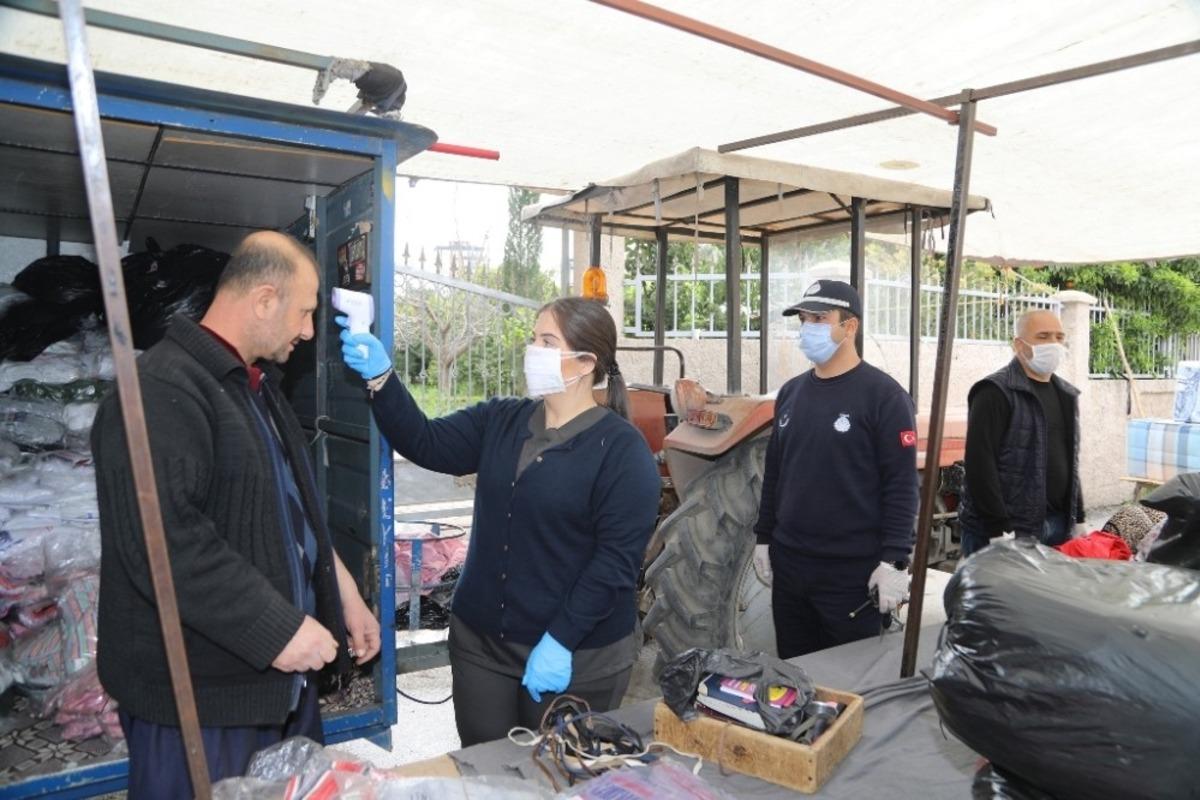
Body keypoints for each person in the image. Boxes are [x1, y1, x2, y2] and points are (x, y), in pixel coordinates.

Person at [92, 231, 381, 798]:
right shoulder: (158, 391)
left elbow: (292, 507)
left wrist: (341, 588)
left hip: (276, 690)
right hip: (199, 707)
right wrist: (279, 631)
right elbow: (164, 543)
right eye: (304, 312)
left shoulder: (255, 388)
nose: (307, 330)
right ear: (265, 298)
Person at [338, 297, 659, 747]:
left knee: (558, 780)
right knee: (485, 772)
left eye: (547, 341)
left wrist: (562, 640)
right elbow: (425, 442)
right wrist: (381, 378)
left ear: (585, 362)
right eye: (534, 339)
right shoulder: (501, 419)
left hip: (575, 654)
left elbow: (615, 564)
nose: (533, 351)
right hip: (482, 646)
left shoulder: (622, 452)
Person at [752, 280, 919, 658]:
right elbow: (776, 473)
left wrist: (894, 560)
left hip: (850, 575)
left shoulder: (885, 397)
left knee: (852, 684)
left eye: (820, 318)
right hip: (791, 569)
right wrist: (764, 538)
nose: (808, 326)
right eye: (804, 318)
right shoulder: (791, 393)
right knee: (796, 676)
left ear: (850, 327)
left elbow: (901, 485)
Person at [958, 309, 1084, 556]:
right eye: (1043, 336)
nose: (1054, 344)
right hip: (1008, 531)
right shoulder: (994, 391)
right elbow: (980, 465)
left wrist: (1078, 516)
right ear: (1019, 344)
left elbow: (1070, 461)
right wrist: (998, 529)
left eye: (1059, 337)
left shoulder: (1066, 395)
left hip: (1057, 526)